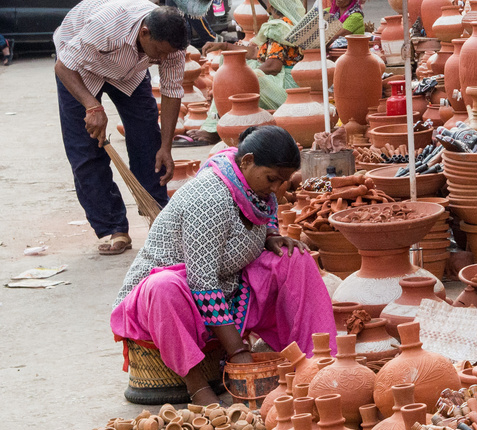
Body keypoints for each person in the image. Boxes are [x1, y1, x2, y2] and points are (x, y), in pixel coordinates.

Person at [110, 126, 336, 406]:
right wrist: (239, 353)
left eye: (283, 182)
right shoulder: (209, 197)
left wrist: (271, 236)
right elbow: (202, 283)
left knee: (296, 259)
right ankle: (196, 386)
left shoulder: (255, 186)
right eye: (272, 179)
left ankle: (318, 363)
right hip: (174, 296)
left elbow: (264, 216)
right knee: (163, 287)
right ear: (247, 161)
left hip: (229, 281)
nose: (277, 189)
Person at [54, 0, 187, 256]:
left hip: (129, 73)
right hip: (78, 68)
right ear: (145, 33)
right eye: (159, 53)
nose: (162, 60)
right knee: (85, 151)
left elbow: (172, 91)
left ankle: (157, 217)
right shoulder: (107, 25)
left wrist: (166, 146)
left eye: (167, 55)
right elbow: (63, 66)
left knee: (149, 141)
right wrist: (92, 106)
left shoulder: (170, 48)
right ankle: (112, 226)